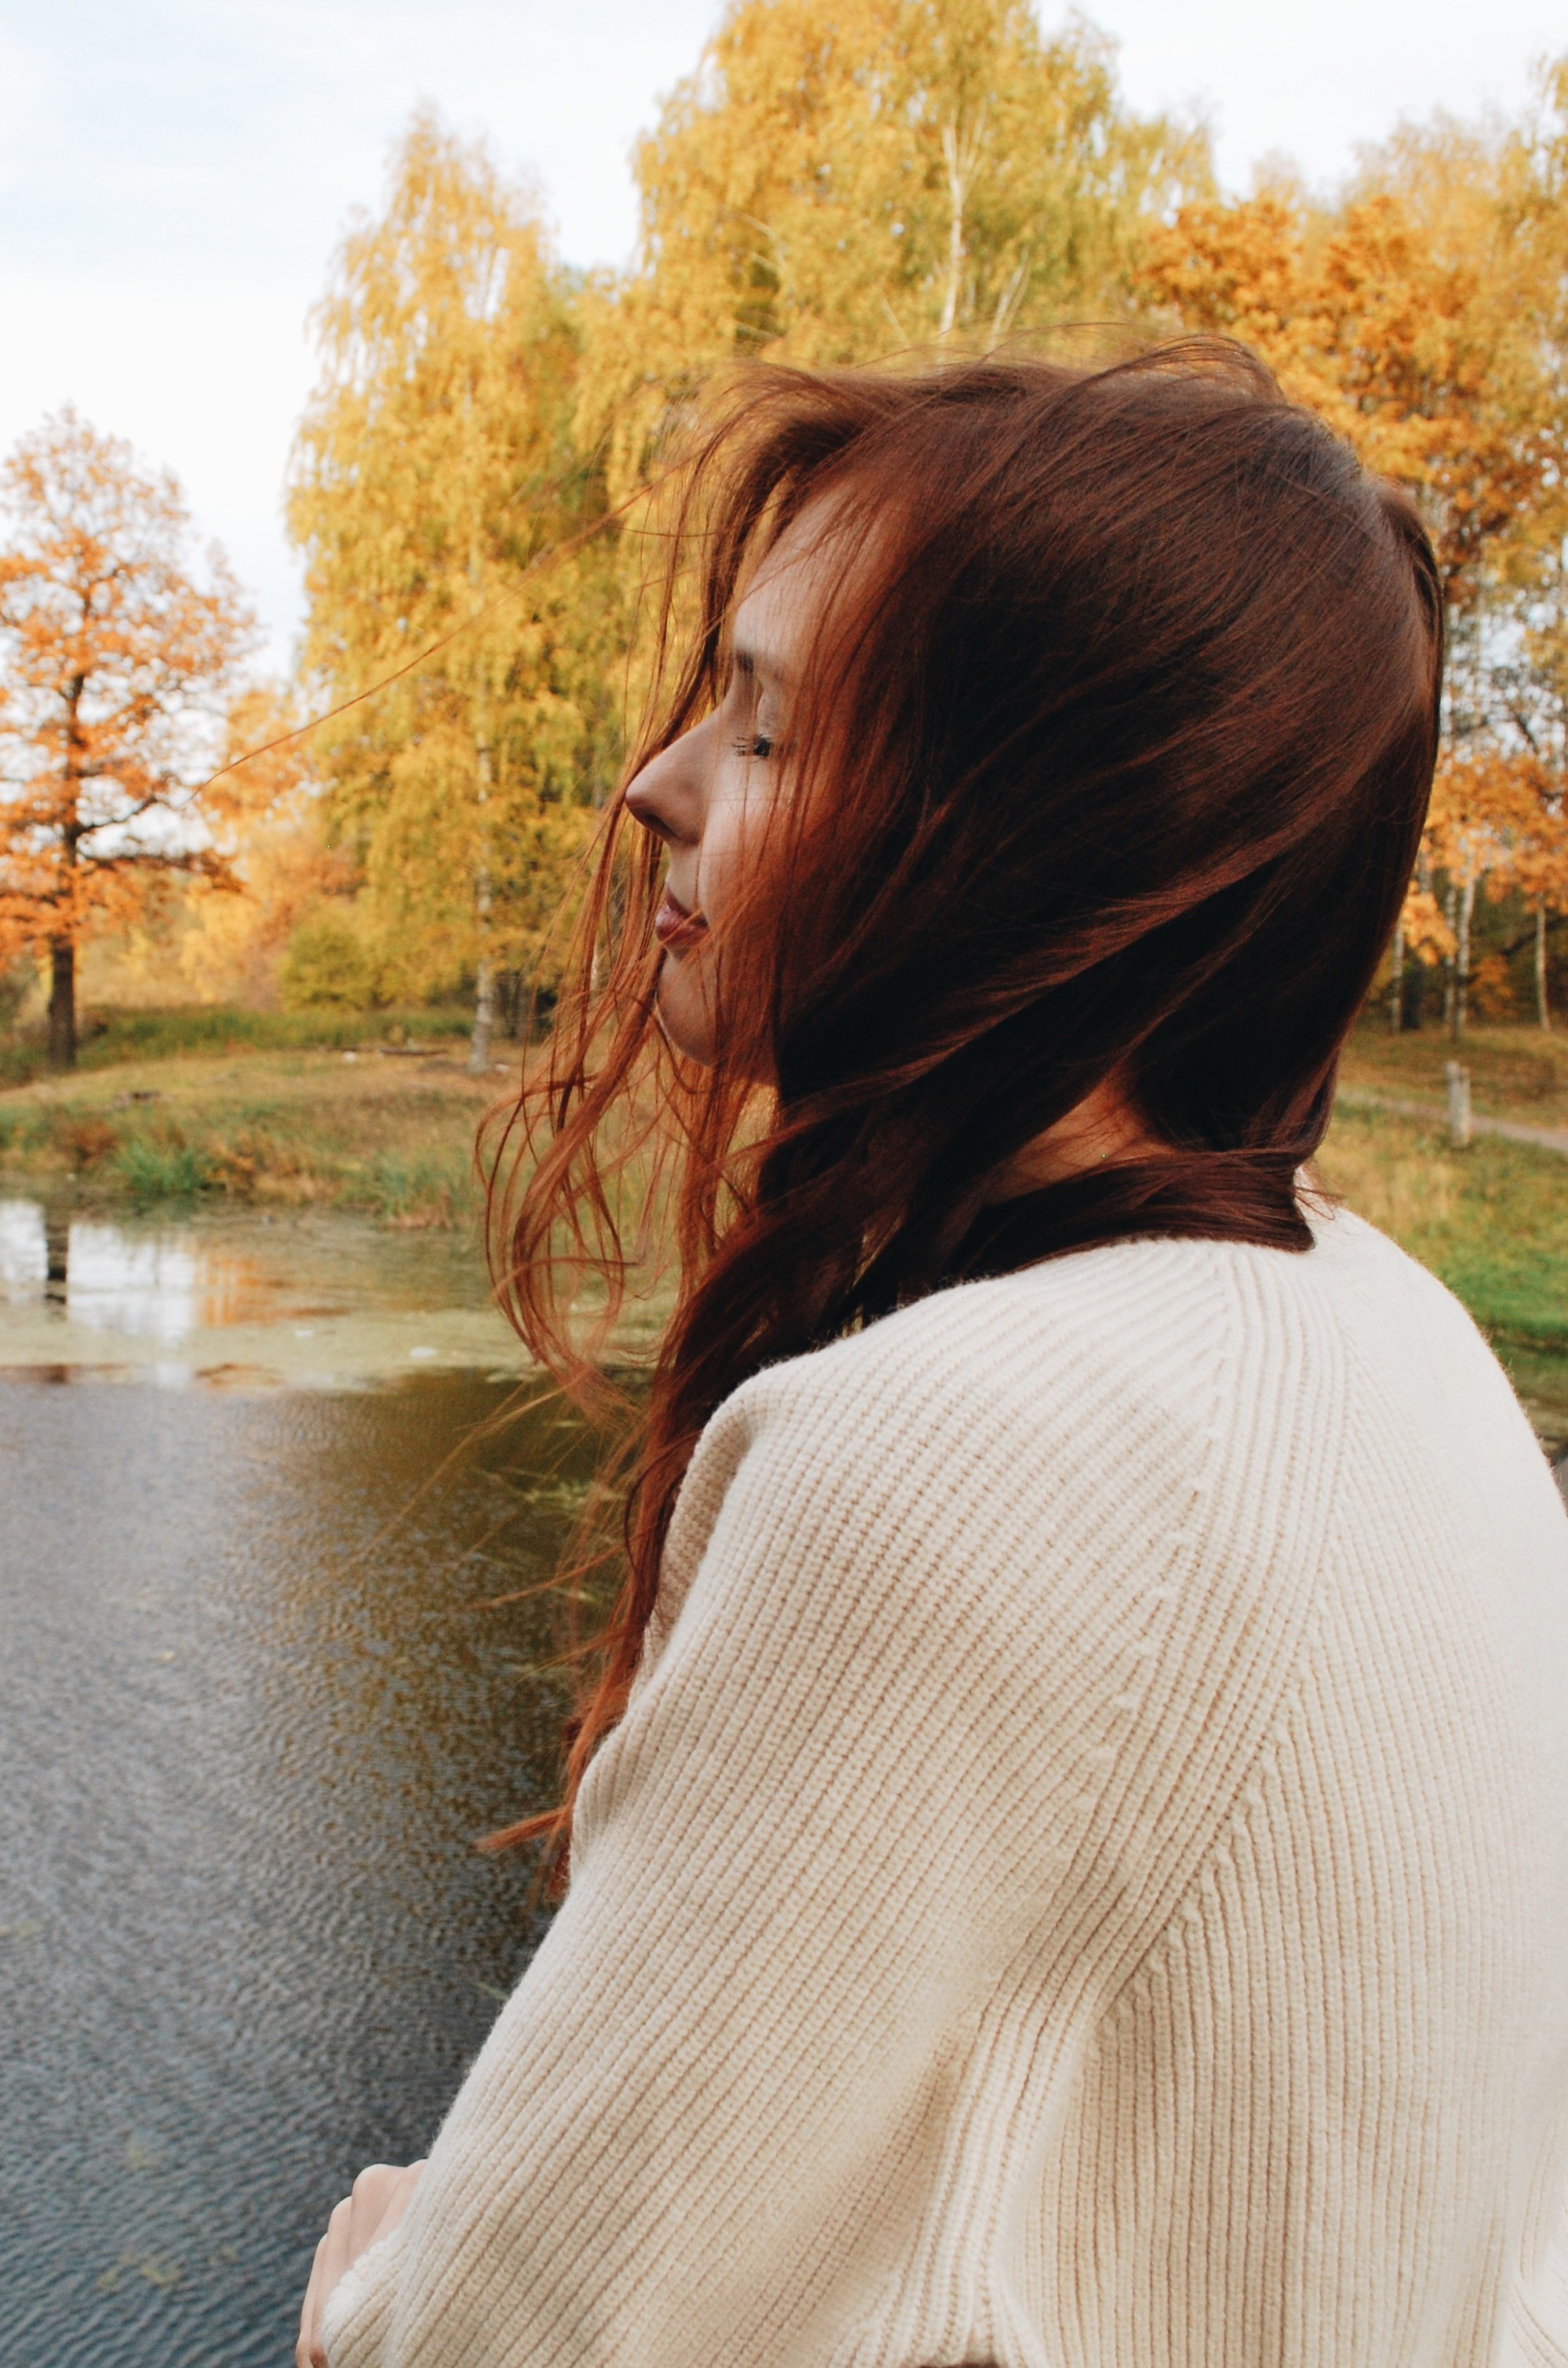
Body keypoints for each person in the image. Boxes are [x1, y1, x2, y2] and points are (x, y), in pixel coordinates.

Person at [298, 344, 1568, 2368]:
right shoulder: (1405, 1344)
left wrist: (379, 2278)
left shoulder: (945, 1459)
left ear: (1029, 836)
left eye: (773, 730)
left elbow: (499, 2342)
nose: (657, 787)